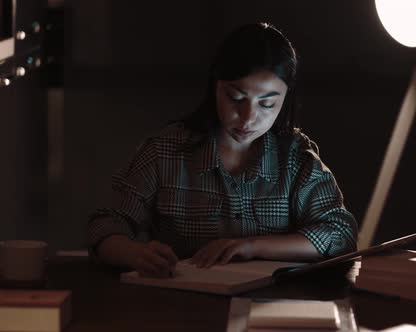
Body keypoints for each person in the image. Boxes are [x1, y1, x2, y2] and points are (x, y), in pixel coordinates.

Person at [88, 22, 357, 278]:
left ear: (285, 100)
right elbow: (105, 225)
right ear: (215, 85)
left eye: (267, 104)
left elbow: (340, 234)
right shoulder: (165, 152)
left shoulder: (295, 159)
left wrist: (253, 247)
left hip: (271, 309)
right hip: (181, 304)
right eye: (236, 98)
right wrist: (136, 254)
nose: (248, 117)